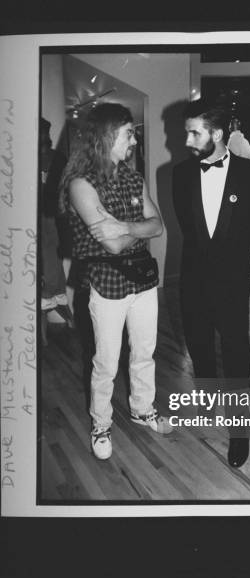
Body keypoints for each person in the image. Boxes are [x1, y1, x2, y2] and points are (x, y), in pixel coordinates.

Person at [60, 103, 172, 461]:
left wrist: (124, 226)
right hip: (106, 282)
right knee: (106, 362)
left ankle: (142, 408)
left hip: (143, 280)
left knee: (144, 352)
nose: (135, 141)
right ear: (106, 135)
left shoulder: (134, 178)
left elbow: (159, 226)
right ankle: (101, 423)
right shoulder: (81, 184)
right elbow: (109, 244)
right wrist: (135, 230)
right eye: (129, 133)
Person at [172, 98, 250, 467]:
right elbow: (188, 228)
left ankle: (240, 432)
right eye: (187, 133)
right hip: (193, 278)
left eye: (194, 133)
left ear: (216, 133)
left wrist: (227, 265)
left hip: (231, 279)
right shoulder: (180, 174)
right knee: (198, 346)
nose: (187, 141)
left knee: (235, 352)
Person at [40, 118, 73, 344]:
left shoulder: (58, 157)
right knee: (46, 256)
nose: (45, 135)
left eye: (46, 131)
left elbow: (66, 186)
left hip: (53, 214)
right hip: (33, 216)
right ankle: (52, 296)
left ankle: (51, 296)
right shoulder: (27, 156)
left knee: (53, 254)